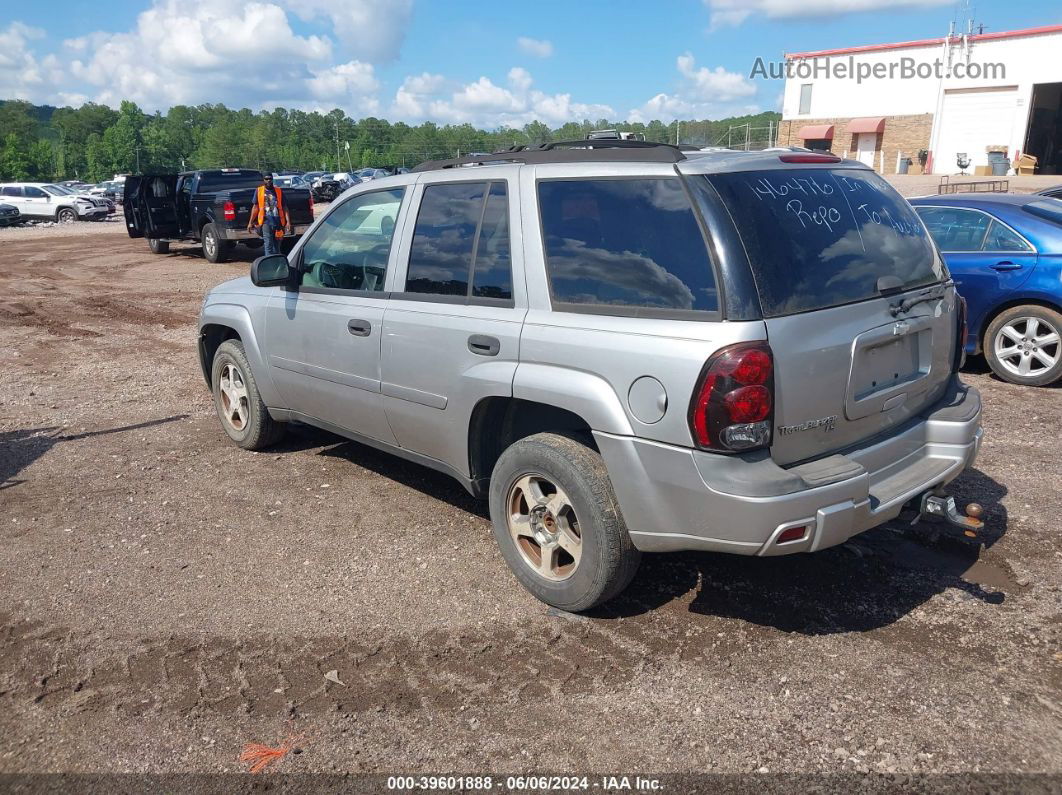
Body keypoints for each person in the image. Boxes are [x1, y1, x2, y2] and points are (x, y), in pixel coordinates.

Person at [247, 174, 293, 256]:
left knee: (277, 248)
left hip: (278, 223)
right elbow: (255, 207)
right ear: (263, 180)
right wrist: (250, 222)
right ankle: (269, 266)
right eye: (266, 179)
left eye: (270, 179)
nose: (268, 180)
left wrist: (288, 222)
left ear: (272, 179)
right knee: (268, 246)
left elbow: (285, 207)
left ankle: (277, 266)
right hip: (266, 223)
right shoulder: (259, 191)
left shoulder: (278, 191)